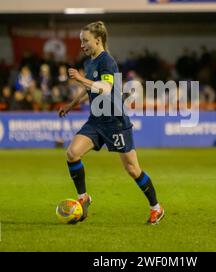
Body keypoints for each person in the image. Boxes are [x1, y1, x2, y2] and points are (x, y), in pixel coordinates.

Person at [58, 21, 164, 225]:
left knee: (133, 170)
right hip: (96, 121)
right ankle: (83, 198)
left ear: (98, 40)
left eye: (85, 41)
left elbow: (105, 88)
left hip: (115, 122)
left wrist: (80, 78)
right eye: (81, 41)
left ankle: (156, 208)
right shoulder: (90, 62)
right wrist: (71, 104)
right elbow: (89, 88)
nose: (82, 45)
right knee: (72, 154)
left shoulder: (108, 62)